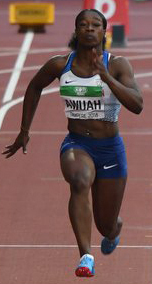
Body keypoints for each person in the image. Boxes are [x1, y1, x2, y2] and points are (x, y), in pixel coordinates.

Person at [2, 9, 143, 277]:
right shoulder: (60, 65)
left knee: (106, 225)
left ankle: (114, 229)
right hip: (77, 144)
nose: (89, 29)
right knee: (79, 180)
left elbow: (137, 105)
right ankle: (86, 256)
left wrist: (107, 79)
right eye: (83, 24)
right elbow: (34, 86)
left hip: (110, 148)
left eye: (96, 25)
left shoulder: (118, 65)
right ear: (76, 31)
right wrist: (24, 130)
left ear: (104, 32)